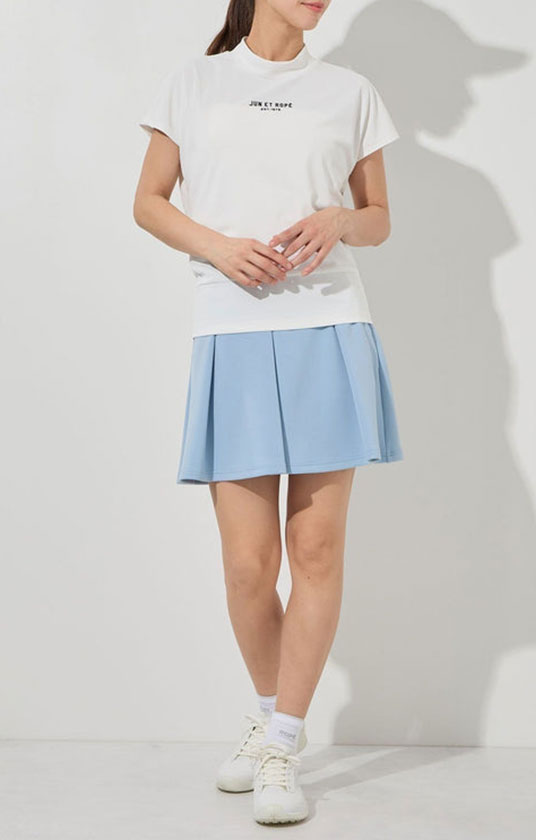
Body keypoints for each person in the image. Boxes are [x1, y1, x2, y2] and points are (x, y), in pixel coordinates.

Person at [134, 0, 403, 825]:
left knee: (315, 548)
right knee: (248, 565)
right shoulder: (194, 82)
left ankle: (283, 741)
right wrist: (219, 247)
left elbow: (379, 220)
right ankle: (267, 716)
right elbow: (149, 201)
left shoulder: (350, 91)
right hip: (233, 334)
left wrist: (340, 220)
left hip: (330, 329)